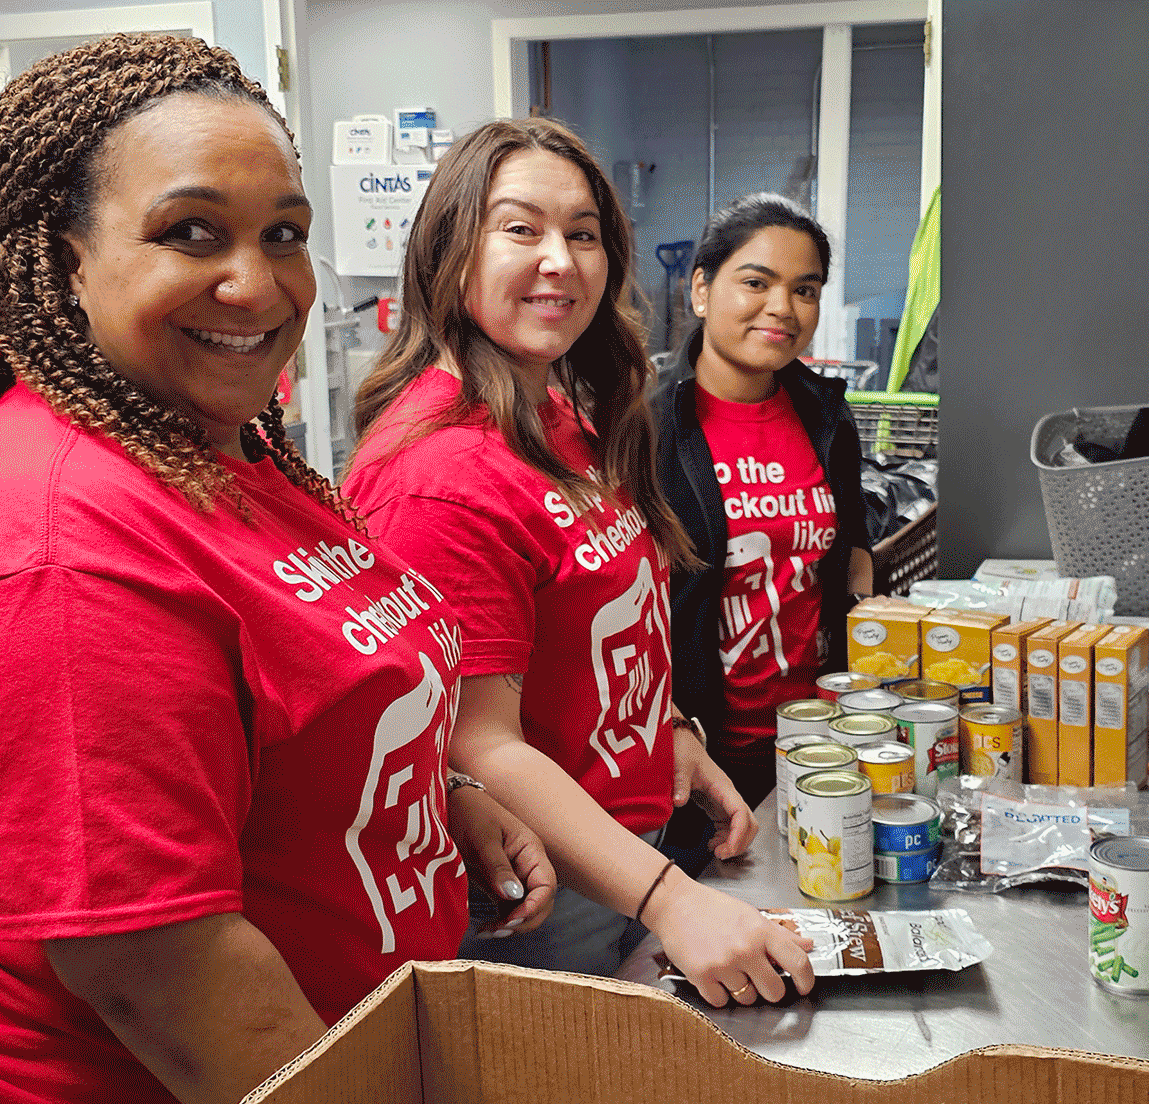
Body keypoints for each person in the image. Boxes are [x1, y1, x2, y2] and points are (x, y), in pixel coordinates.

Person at [0, 34, 551, 1104]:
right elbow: (154, 970)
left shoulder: (211, 434)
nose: (258, 281)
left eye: (284, 232)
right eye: (192, 232)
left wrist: (413, 791)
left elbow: (276, 690)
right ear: (65, 261)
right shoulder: (56, 551)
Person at [341, 118, 815, 1008]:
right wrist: (673, 901)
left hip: (630, 854)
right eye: (521, 229)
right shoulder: (436, 474)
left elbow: (604, 619)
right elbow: (475, 740)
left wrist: (670, 732)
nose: (560, 260)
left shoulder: (553, 415)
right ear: (451, 247)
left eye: (584, 233)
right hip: (546, 896)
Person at [657, 193, 873, 825]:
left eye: (805, 290)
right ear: (702, 288)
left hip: (819, 736)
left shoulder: (824, 414)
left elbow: (852, 546)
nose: (782, 308)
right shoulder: (648, 426)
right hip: (701, 751)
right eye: (756, 282)